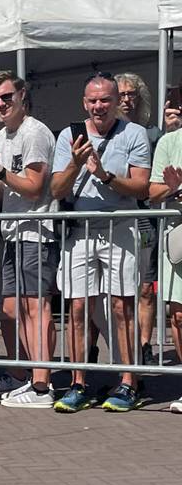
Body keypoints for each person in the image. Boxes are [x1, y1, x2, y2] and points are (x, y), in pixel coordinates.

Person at [50, 73, 152, 413]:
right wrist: (75, 165)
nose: (99, 106)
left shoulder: (134, 134)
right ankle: (78, 383)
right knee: (78, 308)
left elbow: (141, 188)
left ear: (116, 102)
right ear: (84, 102)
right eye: (93, 100)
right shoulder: (69, 135)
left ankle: (128, 382)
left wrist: (103, 175)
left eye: (105, 100)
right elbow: (56, 190)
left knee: (122, 308)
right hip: (80, 232)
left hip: (119, 228)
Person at [0, 71, 59, 408]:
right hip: (12, 230)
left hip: (37, 230)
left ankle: (42, 384)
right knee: (10, 307)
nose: (1, 104)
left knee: (36, 307)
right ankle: (20, 374)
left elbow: (36, 187)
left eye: (6, 97)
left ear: (22, 95)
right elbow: (3, 188)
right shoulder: (1, 135)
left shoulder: (35, 133)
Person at [117, 72, 164, 365]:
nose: (126, 99)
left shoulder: (153, 134)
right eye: (120, 94)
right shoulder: (107, 132)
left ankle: (144, 345)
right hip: (117, 217)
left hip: (145, 217)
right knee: (120, 290)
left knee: (146, 286)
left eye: (131, 94)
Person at [148, 129, 182, 413]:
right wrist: (174, 188)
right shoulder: (169, 142)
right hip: (178, 239)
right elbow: (153, 192)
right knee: (179, 316)